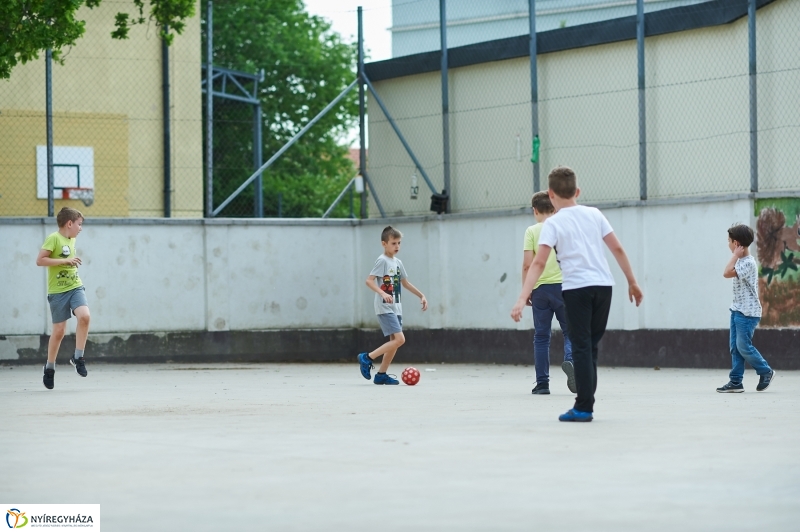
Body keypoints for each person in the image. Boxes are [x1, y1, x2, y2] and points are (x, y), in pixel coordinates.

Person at [511, 166, 643, 422]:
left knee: (582, 346)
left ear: (550, 194)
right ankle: (585, 401)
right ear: (578, 191)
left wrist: (521, 297)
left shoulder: (553, 223)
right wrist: (632, 282)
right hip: (605, 286)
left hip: (576, 289)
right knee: (589, 346)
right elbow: (617, 248)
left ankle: (583, 407)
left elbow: (537, 263)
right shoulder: (595, 214)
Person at [358, 226, 428, 384]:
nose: (397, 246)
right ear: (384, 244)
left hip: (396, 307)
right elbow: (369, 281)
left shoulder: (397, 262)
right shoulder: (382, 260)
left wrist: (421, 295)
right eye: (393, 243)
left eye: (399, 243)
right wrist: (382, 293)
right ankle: (367, 357)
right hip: (384, 307)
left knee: (394, 342)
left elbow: (405, 283)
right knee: (400, 339)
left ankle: (381, 374)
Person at [522, 191, 574, 395]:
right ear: (554, 208)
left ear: (535, 211)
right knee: (571, 331)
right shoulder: (563, 229)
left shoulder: (531, 231)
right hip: (564, 288)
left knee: (541, 337)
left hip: (540, 290)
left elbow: (528, 265)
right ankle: (570, 360)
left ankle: (542, 384)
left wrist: (526, 291)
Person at [36, 207, 91, 390]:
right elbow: (40, 260)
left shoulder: (72, 239)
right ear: (70, 223)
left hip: (75, 286)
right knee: (59, 331)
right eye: (79, 224)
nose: (80, 228)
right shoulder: (53, 238)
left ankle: (78, 357)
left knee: (85, 316)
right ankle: (50, 368)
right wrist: (65, 261)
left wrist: (71, 262)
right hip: (58, 291)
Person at [716, 224, 775, 393]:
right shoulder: (742, 261)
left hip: (748, 313)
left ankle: (766, 371)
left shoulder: (747, 263)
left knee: (743, 346)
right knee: (735, 347)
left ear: (737, 243)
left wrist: (734, 256)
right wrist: (736, 256)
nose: (728, 244)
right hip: (737, 309)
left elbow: (726, 272)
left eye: (729, 241)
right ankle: (736, 382)